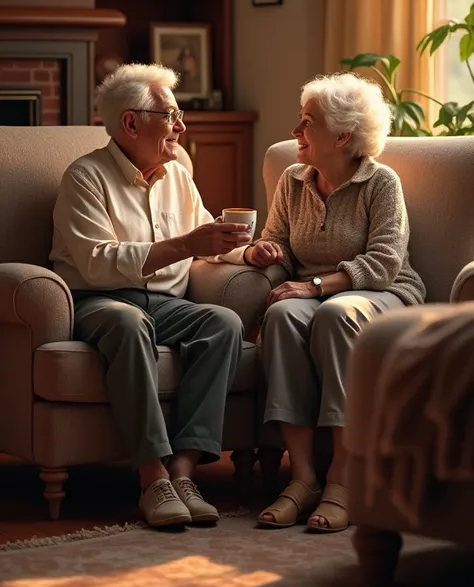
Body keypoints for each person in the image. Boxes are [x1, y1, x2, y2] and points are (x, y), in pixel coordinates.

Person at [49, 63, 252, 529]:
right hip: (98, 301)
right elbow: (98, 261)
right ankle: (151, 475)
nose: (181, 126)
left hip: (163, 303)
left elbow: (206, 239)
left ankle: (182, 473)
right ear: (131, 122)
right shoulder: (84, 177)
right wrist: (185, 245)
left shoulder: (177, 175)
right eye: (171, 115)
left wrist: (247, 253)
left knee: (224, 324)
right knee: (127, 321)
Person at [228, 72, 426, 532]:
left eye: (307, 123)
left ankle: (343, 477)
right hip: (311, 292)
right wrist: (262, 252)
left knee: (336, 315)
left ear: (342, 135)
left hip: (384, 293)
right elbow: (276, 239)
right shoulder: (294, 180)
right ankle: (301, 478)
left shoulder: (382, 183)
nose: (295, 132)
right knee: (279, 315)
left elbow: (384, 261)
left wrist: (316, 286)